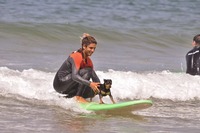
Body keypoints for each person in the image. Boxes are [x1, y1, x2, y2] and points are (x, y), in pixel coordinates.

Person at [53, 33, 100, 103]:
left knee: (93, 91)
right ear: (84, 46)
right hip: (60, 84)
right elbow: (74, 76)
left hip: (69, 86)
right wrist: (90, 84)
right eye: (91, 48)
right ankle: (78, 97)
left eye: (94, 48)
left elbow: (95, 79)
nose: (93, 50)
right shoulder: (77, 56)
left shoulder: (88, 61)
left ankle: (67, 98)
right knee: (88, 71)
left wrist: (99, 89)